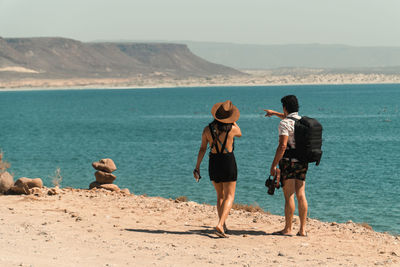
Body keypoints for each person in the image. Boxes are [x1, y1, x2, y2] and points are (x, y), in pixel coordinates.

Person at [194, 100, 242, 238]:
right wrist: (232, 121)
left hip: (213, 161)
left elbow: (202, 148)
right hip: (228, 161)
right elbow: (240, 133)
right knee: (230, 196)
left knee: (220, 195)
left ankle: (223, 224)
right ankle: (220, 225)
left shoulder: (206, 129)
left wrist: (197, 167)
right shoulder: (233, 129)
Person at [264, 95, 309, 237]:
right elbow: (290, 119)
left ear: (285, 107)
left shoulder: (284, 124)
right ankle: (302, 230)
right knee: (301, 194)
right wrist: (275, 113)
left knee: (289, 194)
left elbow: (283, 145)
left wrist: (274, 164)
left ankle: (288, 229)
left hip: (288, 161)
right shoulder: (303, 121)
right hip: (302, 161)